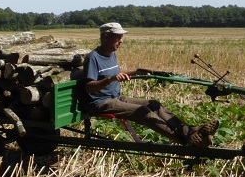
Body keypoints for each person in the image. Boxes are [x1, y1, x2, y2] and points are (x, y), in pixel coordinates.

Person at [82, 22, 219, 147]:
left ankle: (188, 131)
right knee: (144, 112)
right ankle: (186, 140)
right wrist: (111, 79)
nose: (121, 41)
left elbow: (116, 73)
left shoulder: (111, 54)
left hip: (115, 97)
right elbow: (89, 86)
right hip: (101, 103)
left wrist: (136, 72)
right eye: (118, 37)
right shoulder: (93, 57)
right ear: (106, 37)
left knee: (153, 104)